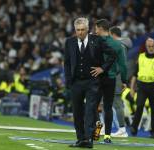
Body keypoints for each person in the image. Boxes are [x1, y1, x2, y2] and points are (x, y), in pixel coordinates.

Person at [64, 17, 116, 148]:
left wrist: (102, 68)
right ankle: (80, 139)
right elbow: (67, 63)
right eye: (77, 30)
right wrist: (69, 80)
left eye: (82, 30)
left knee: (90, 111)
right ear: (75, 30)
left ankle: (88, 140)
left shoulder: (97, 40)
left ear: (87, 29)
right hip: (76, 82)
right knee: (77, 112)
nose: (80, 32)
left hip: (92, 82)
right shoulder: (69, 42)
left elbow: (112, 54)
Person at [93, 19, 127, 143]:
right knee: (108, 107)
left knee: (93, 105)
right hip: (111, 79)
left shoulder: (94, 41)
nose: (95, 31)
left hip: (96, 77)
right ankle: (107, 136)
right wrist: (124, 80)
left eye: (96, 28)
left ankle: (96, 128)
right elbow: (123, 65)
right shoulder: (118, 45)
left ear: (101, 28)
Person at [130, 38, 154, 136]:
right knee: (140, 106)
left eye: (152, 46)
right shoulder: (140, 57)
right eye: (149, 46)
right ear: (146, 47)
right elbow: (135, 74)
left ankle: (153, 130)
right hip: (142, 85)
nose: (151, 48)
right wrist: (132, 88)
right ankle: (134, 128)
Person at [109, 26, 132, 137]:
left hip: (115, 77)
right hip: (114, 76)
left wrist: (123, 80)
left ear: (113, 34)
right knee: (106, 102)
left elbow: (121, 65)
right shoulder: (123, 45)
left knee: (117, 103)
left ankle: (122, 129)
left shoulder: (120, 46)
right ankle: (105, 128)